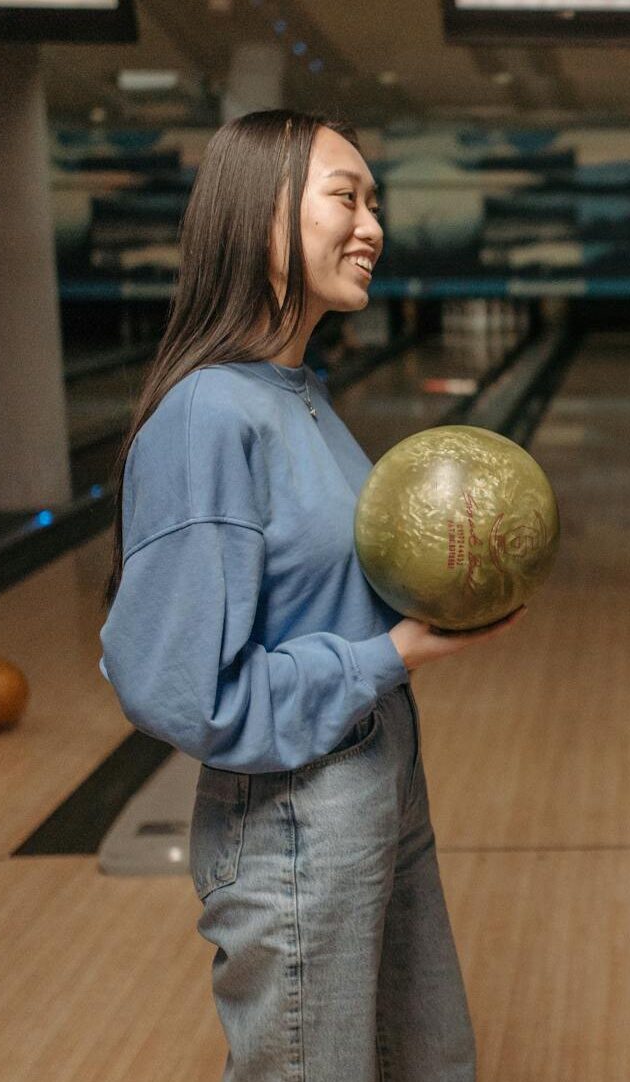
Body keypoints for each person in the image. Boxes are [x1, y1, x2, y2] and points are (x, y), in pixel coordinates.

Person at [100, 110, 514, 1081]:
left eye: (376, 202)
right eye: (347, 198)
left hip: (374, 777)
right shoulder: (209, 414)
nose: (374, 226)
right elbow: (180, 689)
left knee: (431, 1062)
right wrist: (391, 653)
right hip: (295, 812)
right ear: (261, 215)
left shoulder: (297, 393)